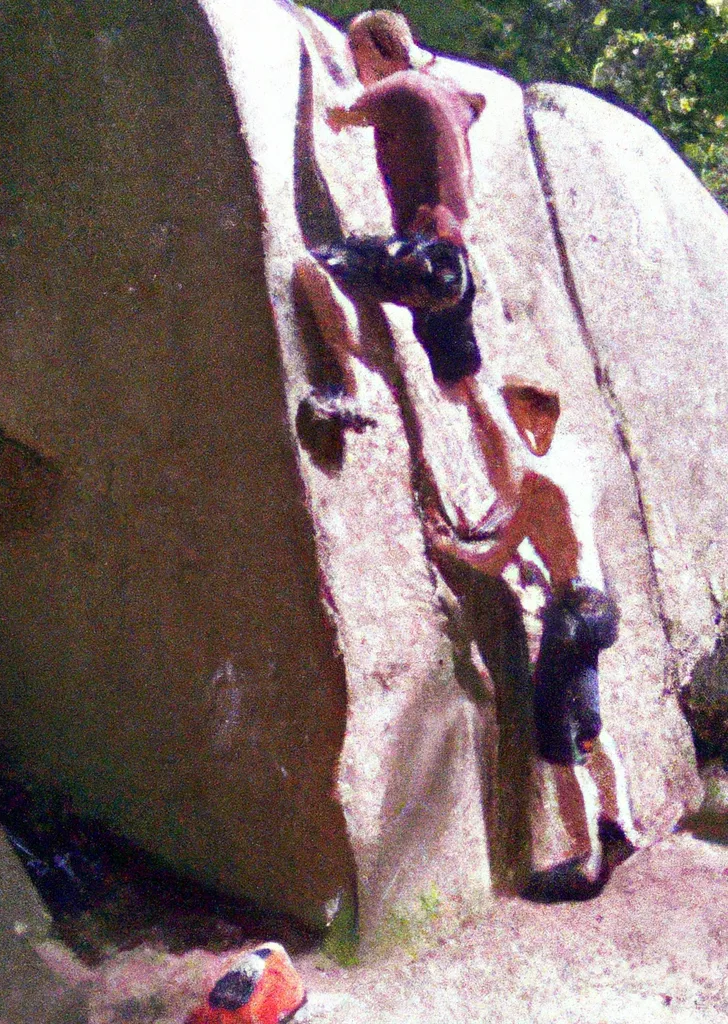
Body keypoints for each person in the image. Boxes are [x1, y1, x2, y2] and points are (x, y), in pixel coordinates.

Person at [425, 375, 640, 888]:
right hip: (597, 607)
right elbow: (517, 521)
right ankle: (620, 825)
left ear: (536, 419)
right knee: (589, 724)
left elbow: (496, 557)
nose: (496, 435)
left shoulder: (535, 480)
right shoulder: (565, 463)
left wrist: (446, 546)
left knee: (554, 740)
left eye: (509, 419)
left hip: (570, 613)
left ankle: (584, 854)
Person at [315, 11, 486, 387]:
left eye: (356, 50)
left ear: (378, 49)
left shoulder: (399, 88)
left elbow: (338, 116)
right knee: (462, 386)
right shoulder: (447, 91)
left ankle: (345, 386)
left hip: (421, 257)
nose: (354, 63)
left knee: (317, 267)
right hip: (455, 265)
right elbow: (478, 102)